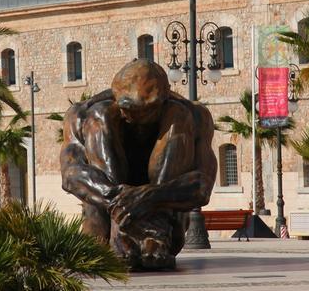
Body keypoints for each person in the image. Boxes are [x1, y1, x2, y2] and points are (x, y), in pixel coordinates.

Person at [60, 59, 217, 269]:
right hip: (106, 222)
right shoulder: (82, 115)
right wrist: (120, 202)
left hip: (165, 224)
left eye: (145, 111)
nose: (133, 117)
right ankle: (123, 232)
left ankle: (150, 235)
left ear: (163, 98)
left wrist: (150, 197)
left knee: (179, 117)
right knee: (100, 118)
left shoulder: (193, 116)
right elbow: (71, 174)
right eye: (127, 108)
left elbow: (202, 186)